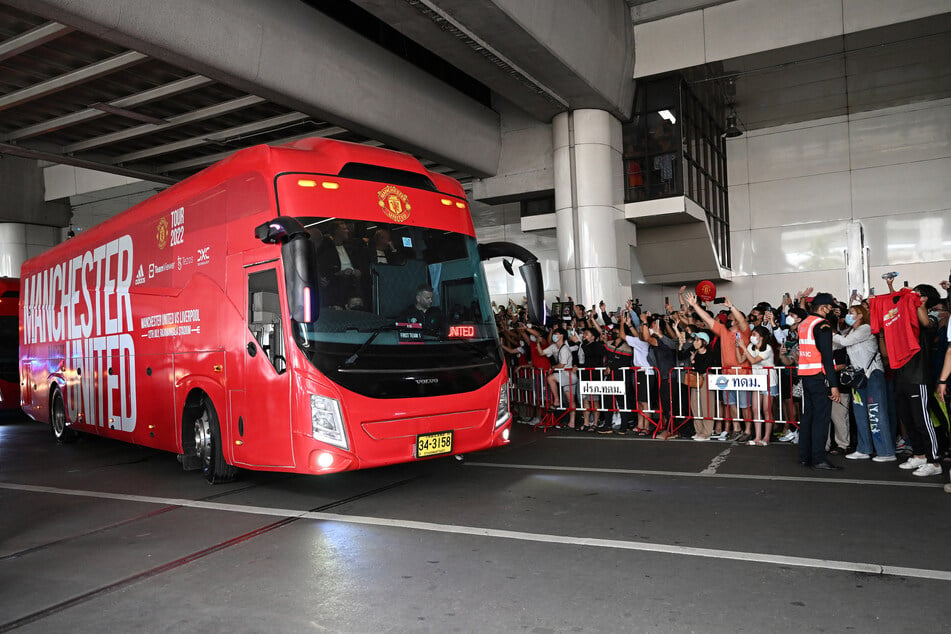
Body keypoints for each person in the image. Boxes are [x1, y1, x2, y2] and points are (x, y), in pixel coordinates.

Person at [870, 278, 942, 477]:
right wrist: (883, 333)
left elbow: (925, 321)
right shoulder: (901, 320)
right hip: (901, 376)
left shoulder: (932, 318)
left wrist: (914, 299)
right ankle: (919, 455)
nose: (910, 296)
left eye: (917, 294)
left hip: (918, 377)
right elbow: (885, 354)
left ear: (924, 299)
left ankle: (935, 461)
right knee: (907, 419)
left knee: (922, 420)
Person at [833, 303, 896, 462]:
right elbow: (838, 343)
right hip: (858, 377)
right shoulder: (850, 331)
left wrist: (829, 332)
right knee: (860, 413)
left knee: (876, 412)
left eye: (852, 312)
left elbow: (844, 342)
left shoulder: (865, 328)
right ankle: (864, 448)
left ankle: (886, 451)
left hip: (872, 375)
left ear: (861, 315)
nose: (848, 314)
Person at [796, 292, 842, 470]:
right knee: (821, 419)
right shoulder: (822, 325)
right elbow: (827, 357)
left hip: (806, 377)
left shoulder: (804, 323)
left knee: (808, 417)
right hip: (819, 377)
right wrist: (834, 386)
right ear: (823, 308)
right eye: (830, 308)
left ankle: (804, 456)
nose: (831, 311)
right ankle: (819, 459)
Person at [737, 325, 778, 446]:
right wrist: (737, 347)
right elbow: (740, 360)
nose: (752, 337)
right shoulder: (750, 346)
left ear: (761, 337)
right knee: (755, 409)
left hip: (769, 381)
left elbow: (754, 360)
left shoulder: (767, 348)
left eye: (755, 334)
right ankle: (757, 436)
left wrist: (744, 347)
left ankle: (766, 437)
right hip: (757, 380)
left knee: (767, 410)